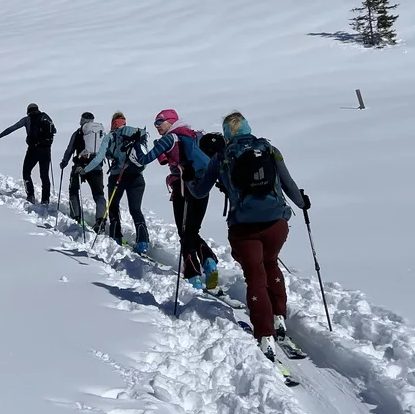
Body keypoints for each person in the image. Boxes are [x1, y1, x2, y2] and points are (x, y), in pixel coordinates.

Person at [190, 111, 310, 362]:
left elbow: (200, 192)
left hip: (244, 226)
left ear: (226, 133)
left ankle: (264, 334)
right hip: (277, 223)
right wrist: (302, 203)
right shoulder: (269, 149)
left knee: (255, 275)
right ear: (247, 127)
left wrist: (189, 182)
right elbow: (288, 184)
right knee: (271, 264)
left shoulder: (221, 156)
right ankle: (278, 318)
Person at [128, 109, 219, 290]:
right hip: (202, 186)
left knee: (184, 232)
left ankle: (193, 276)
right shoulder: (194, 135)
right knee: (193, 230)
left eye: (159, 122)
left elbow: (143, 159)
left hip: (182, 188)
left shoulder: (169, 138)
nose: (157, 126)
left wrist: (137, 144)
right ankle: (209, 262)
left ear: (170, 121)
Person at [81, 111, 150, 254]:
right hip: (137, 176)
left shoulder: (110, 136)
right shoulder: (135, 133)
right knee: (136, 210)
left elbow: (99, 158)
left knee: (113, 206)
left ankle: (116, 236)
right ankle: (143, 241)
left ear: (113, 124)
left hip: (118, 176)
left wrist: (85, 170)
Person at [0, 103, 56, 204]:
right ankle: (45, 200)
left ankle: (30, 196)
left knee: (26, 172)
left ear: (28, 111)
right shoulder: (46, 118)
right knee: (44, 176)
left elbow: (12, 128)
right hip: (46, 150)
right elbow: (54, 131)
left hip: (33, 150)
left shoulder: (27, 119)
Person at [59, 112, 106, 225]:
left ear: (82, 120)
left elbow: (70, 149)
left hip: (80, 166)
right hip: (96, 166)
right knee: (99, 195)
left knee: (74, 191)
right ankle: (101, 222)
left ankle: (75, 217)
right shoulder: (100, 133)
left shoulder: (78, 133)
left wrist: (64, 162)